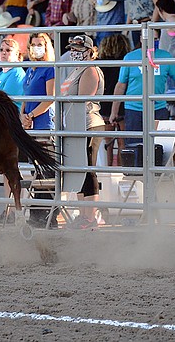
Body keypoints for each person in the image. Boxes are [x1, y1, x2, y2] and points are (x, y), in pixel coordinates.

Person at [57, 35, 107, 228]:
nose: (74, 52)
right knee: (80, 168)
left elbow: (84, 100)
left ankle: (90, 215)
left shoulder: (90, 70)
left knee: (87, 168)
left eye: (78, 49)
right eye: (72, 49)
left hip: (88, 123)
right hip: (75, 124)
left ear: (88, 51)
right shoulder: (76, 70)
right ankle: (83, 214)